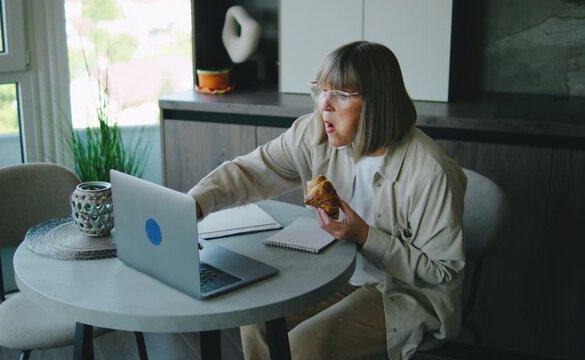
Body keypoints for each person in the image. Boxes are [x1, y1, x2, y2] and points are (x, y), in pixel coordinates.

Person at [188, 41, 466, 360]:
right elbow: (251, 171)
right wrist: (196, 202)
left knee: (303, 347)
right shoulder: (314, 133)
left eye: (342, 95)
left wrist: (364, 236)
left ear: (378, 103)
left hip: (403, 291)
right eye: (321, 91)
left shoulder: (430, 173)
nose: (324, 106)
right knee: (256, 320)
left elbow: (440, 272)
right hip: (341, 273)